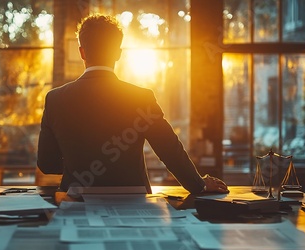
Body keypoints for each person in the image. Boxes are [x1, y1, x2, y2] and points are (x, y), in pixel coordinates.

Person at [37, 14, 228, 194]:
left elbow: (46, 164)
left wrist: (78, 164)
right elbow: (169, 148)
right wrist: (199, 185)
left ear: (82, 52)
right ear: (117, 53)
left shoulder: (55, 99)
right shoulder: (140, 97)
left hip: (75, 200)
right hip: (133, 198)